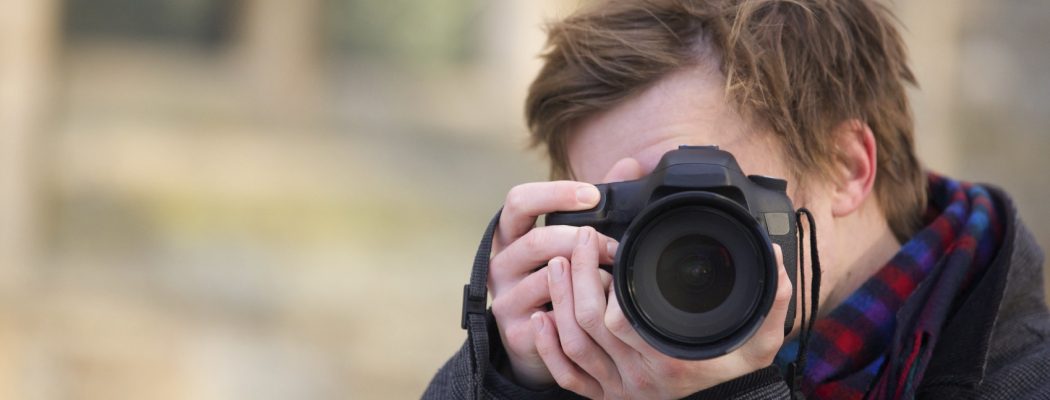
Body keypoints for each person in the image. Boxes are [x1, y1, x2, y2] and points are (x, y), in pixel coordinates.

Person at [424, 0, 1050, 398]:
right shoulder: (609, 361)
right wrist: (510, 381)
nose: (655, 251)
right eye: (624, 210)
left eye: (690, 196)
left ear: (849, 168)